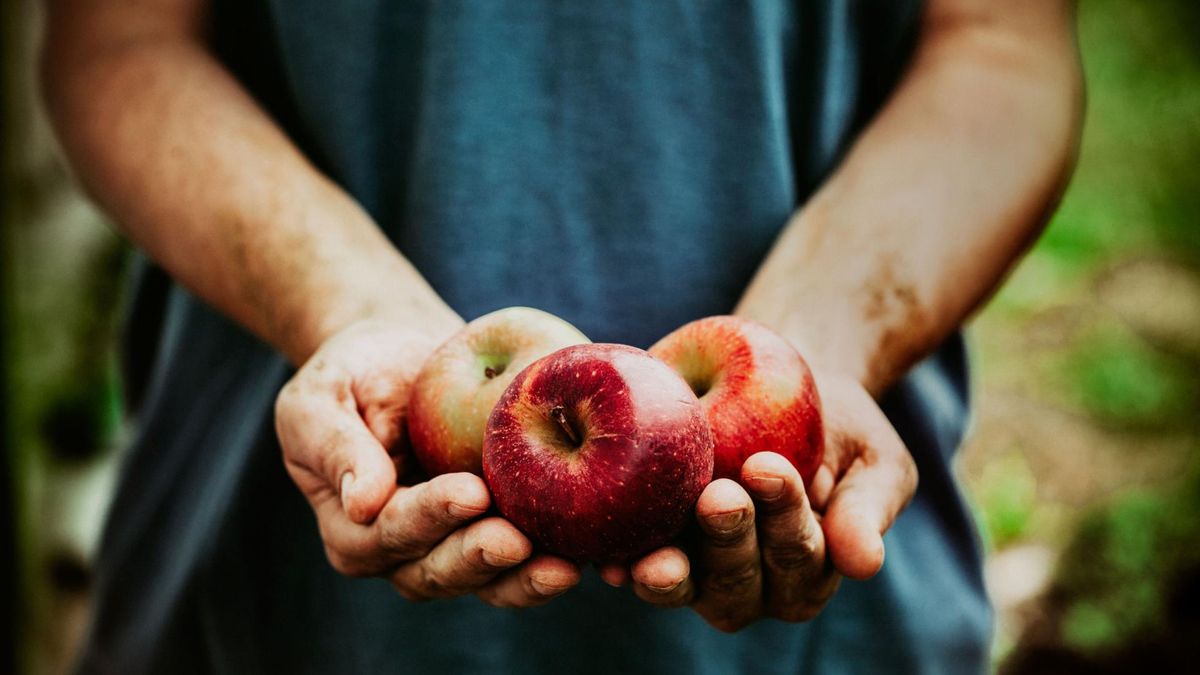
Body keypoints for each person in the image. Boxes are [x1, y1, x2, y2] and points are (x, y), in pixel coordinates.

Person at [42, 0, 1082, 673]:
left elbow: (997, 38)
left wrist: (831, 334)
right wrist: (345, 308)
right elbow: (121, 43)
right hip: (281, 595)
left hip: (830, 596)